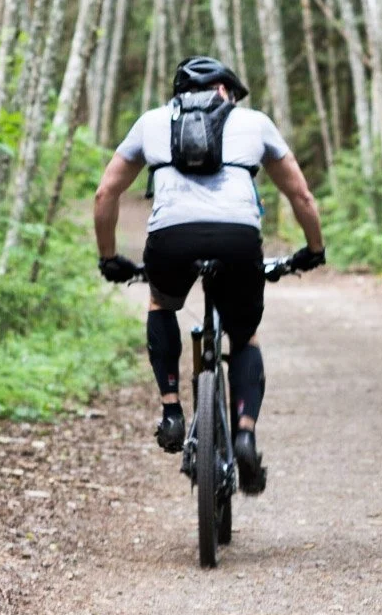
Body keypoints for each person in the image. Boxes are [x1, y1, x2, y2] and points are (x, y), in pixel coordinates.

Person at [93, 54, 325, 495]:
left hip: (170, 241)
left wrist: (109, 257)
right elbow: (301, 194)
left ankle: (171, 411)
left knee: (162, 301)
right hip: (237, 241)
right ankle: (244, 434)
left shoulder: (152, 122)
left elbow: (107, 192)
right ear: (226, 92)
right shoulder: (254, 122)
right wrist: (313, 249)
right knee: (244, 335)